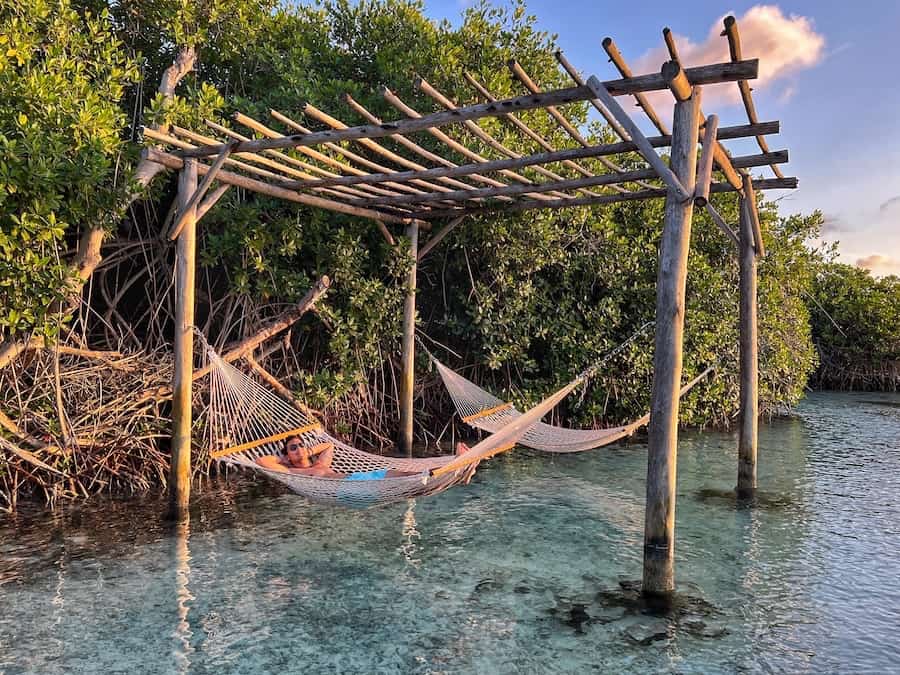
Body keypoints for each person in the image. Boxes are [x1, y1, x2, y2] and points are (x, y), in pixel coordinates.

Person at [256, 437, 473, 480]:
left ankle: (457, 463)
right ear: (287, 455)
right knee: (408, 476)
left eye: (302, 444)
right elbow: (261, 462)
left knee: (408, 471)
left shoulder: (320, 464)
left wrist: (309, 451)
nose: (300, 448)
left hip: (361, 478)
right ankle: (457, 465)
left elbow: (329, 445)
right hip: (353, 487)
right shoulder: (294, 472)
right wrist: (282, 460)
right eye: (293, 447)